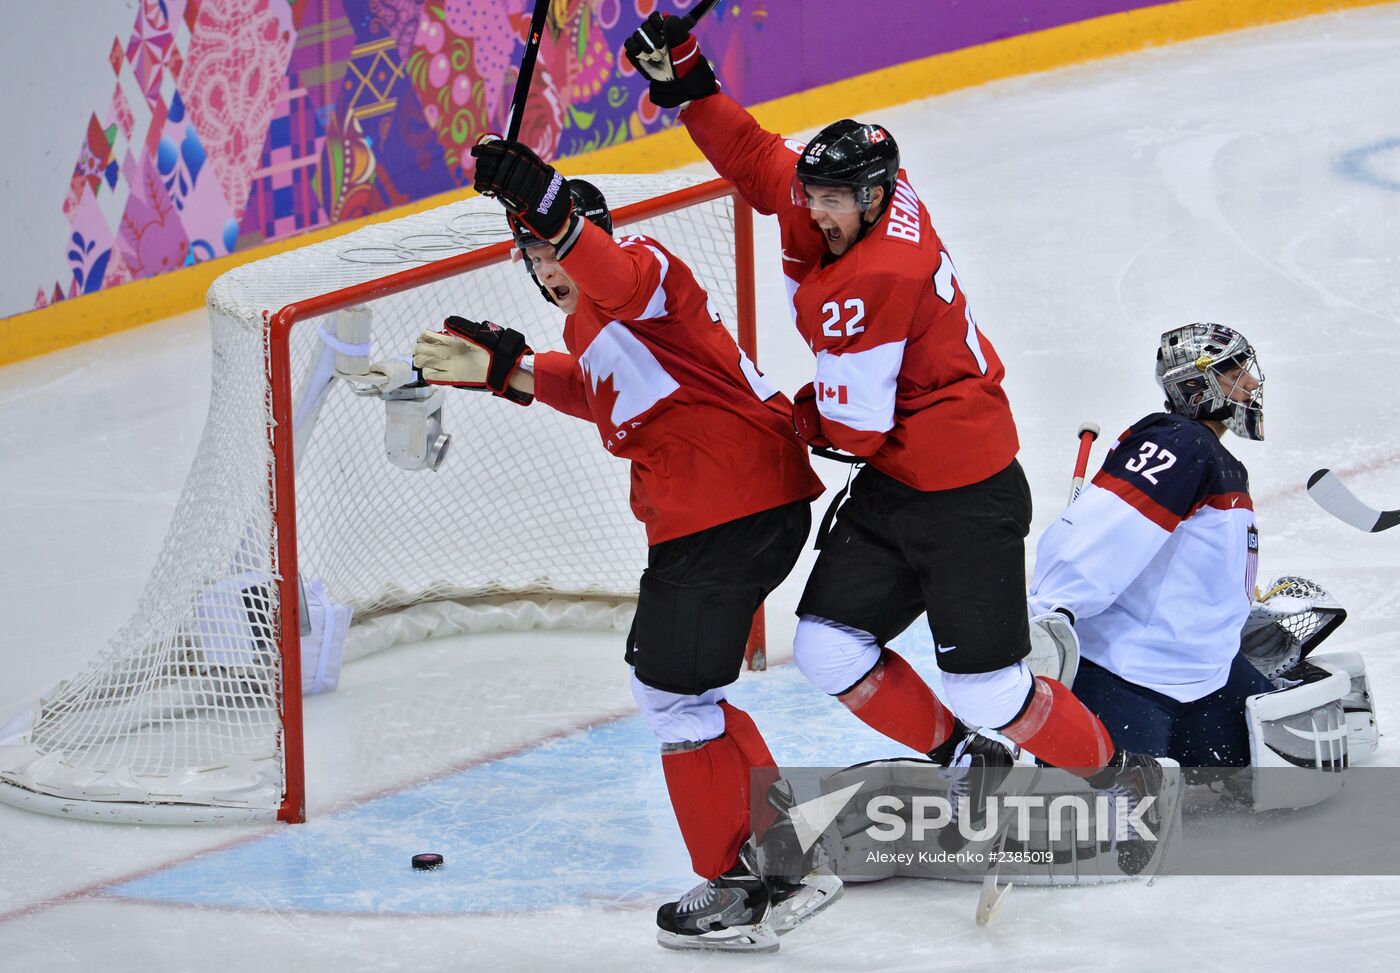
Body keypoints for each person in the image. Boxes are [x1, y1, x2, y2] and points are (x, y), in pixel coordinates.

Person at [623, 13, 1168, 856]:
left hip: (964, 495)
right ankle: (967, 756)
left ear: (871, 197)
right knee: (827, 646)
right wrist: (688, 79)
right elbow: (763, 162)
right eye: (816, 197)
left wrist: (777, 415)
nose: (814, 212)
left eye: (830, 201)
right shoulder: (869, 199)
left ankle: (1124, 779)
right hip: (904, 482)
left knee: (989, 688)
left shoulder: (878, 276)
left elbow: (854, 430)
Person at [412, 145, 831, 953]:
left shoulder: (646, 272)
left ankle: (741, 890)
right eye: (530, 254)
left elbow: (619, 275)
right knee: (689, 693)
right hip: (746, 506)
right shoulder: (598, 329)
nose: (546, 265)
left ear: (587, 233)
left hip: (721, 512)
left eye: (552, 246)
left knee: (671, 695)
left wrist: (550, 209)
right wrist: (510, 370)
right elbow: (604, 388)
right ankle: (781, 861)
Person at [1027, 323, 1282, 767]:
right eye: (1234, 371)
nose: (1252, 382)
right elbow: (1102, 530)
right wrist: (1055, 611)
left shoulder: (1205, 453)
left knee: (1291, 771)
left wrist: (1229, 611)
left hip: (1205, 678)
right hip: (1128, 681)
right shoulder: (1178, 443)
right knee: (1116, 820)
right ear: (1196, 386)